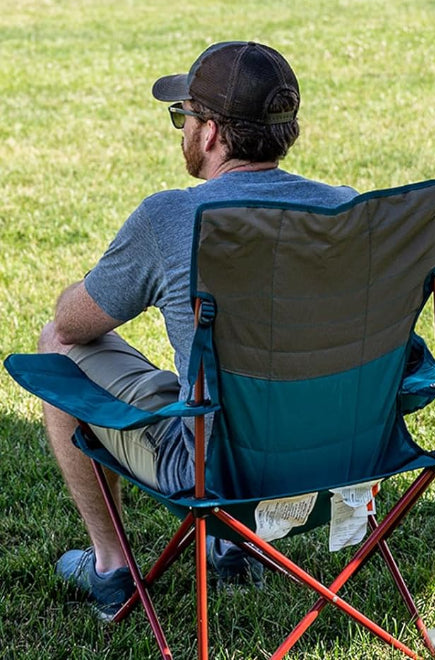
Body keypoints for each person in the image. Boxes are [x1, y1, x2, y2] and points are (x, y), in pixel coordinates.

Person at [37, 41, 355, 618]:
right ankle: (232, 546)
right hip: (343, 461)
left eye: (182, 116)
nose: (181, 129)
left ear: (209, 134)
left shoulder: (173, 217)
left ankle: (112, 570)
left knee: (54, 345)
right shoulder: (348, 212)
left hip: (214, 469)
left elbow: (71, 322)